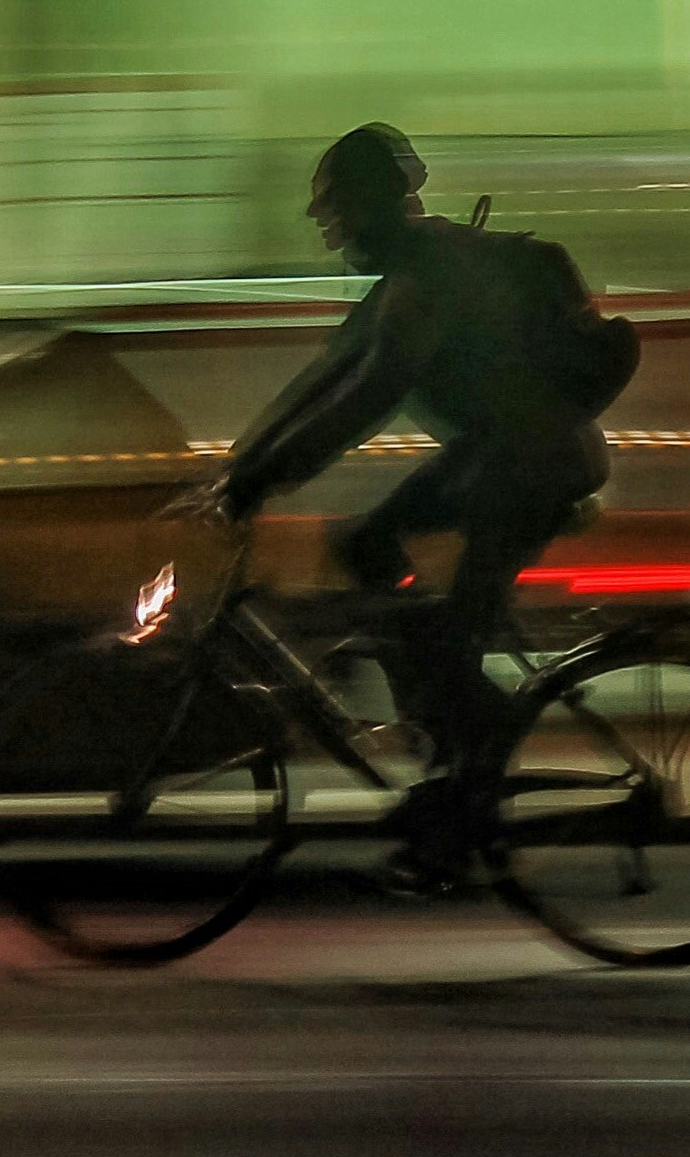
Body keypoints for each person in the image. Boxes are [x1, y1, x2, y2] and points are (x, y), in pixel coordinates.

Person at [192, 123, 624, 893]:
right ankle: (444, 737)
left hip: (532, 469)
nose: (329, 232)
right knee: (364, 552)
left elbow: (366, 397)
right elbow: (325, 379)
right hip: (495, 458)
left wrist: (264, 481)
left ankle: (462, 802)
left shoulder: (431, 278)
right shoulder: (406, 279)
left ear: (372, 205)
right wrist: (240, 467)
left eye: (336, 213)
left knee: (446, 639)